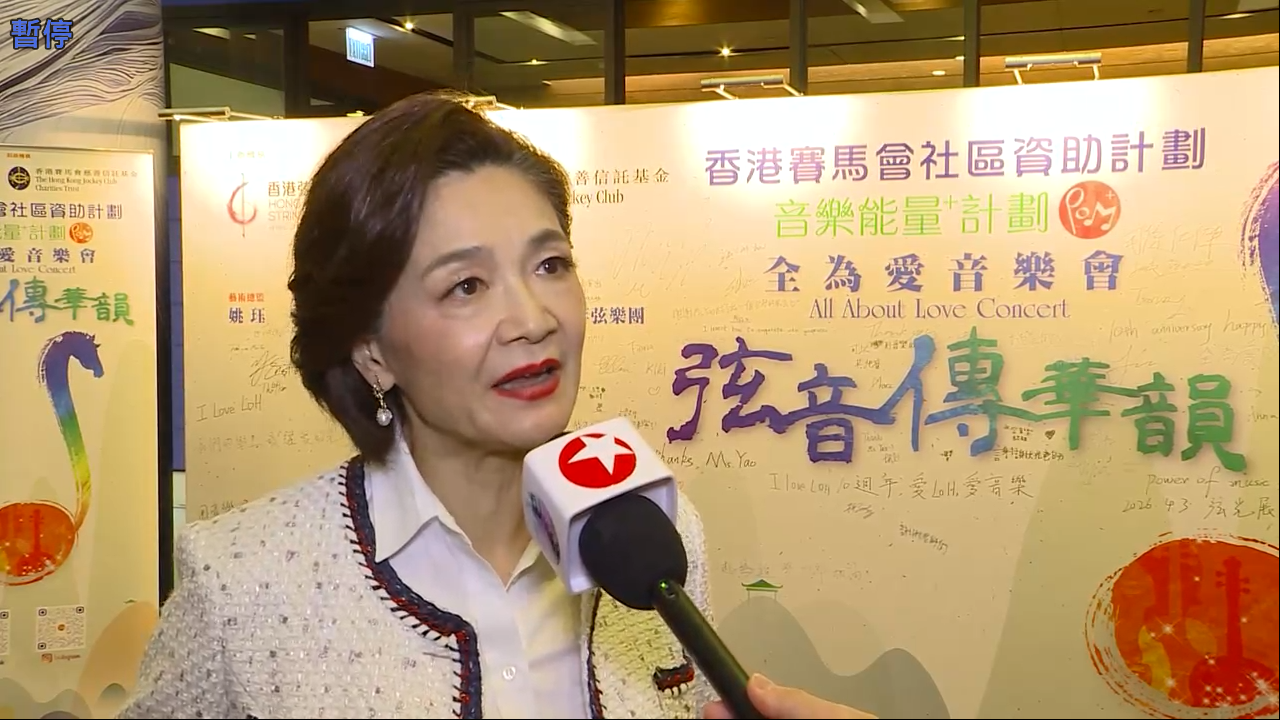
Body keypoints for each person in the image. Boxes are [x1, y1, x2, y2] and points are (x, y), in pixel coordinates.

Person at [118, 91, 872, 720]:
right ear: (372, 350)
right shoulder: (241, 583)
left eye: (550, 264)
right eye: (466, 286)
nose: (533, 319)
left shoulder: (657, 538)